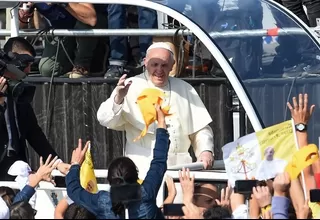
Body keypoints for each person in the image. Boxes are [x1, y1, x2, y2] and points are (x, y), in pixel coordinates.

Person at [97, 42, 214, 179]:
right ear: (145, 63)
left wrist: (205, 151)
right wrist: (118, 98)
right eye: (155, 65)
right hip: (142, 167)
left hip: (179, 168)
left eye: (164, 65)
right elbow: (104, 119)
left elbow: (200, 129)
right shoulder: (130, 86)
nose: (159, 70)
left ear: (172, 65)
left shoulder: (185, 89)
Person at [66, 105, 169, 219]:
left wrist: (75, 164)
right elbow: (159, 161)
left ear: (110, 181)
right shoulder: (147, 193)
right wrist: (161, 124)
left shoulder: (102, 202)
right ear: (136, 176)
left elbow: (73, 190)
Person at [0, 37, 69, 180]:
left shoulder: (18, 92)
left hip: (17, 172)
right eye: (25, 63)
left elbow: (34, 134)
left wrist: (57, 163)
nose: (29, 70)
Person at [19, 2, 108, 78]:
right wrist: (23, 18)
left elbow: (91, 19)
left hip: (91, 26)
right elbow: (19, 27)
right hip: (62, 32)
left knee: (83, 25)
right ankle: (70, 64)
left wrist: (63, 2)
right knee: (47, 70)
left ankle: (82, 65)